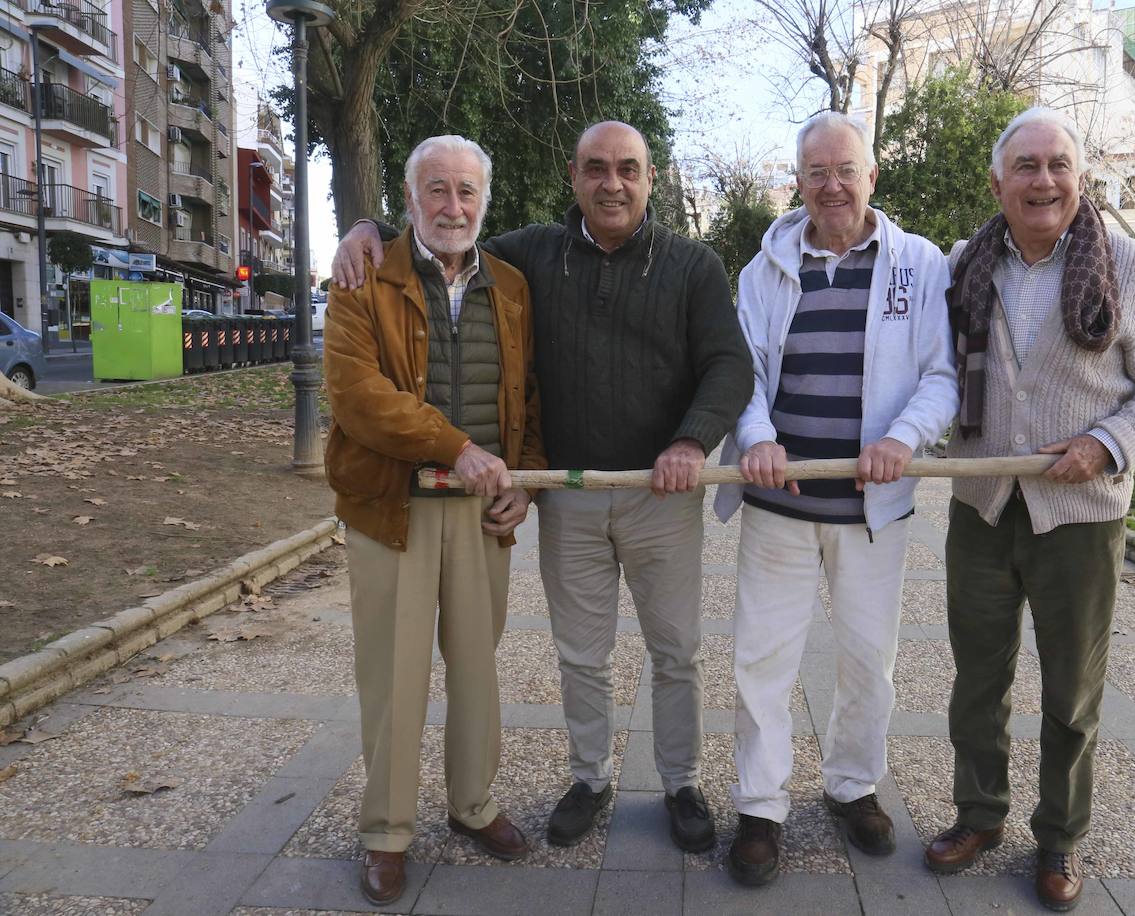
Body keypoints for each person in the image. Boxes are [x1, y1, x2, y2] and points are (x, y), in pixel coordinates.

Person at [331, 121, 753, 854]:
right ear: (574, 176)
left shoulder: (687, 266)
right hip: (517, 500)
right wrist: (362, 228)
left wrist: (691, 438)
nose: (612, 183)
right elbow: (416, 276)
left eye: (628, 169)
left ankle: (677, 782)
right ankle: (573, 783)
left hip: (653, 494)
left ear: (650, 178)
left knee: (673, 651)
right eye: (596, 168)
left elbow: (723, 364)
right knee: (572, 656)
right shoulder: (518, 259)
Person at [927, 107, 1135, 912]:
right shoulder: (964, 266)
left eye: (1058, 165)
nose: (1043, 181)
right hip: (982, 502)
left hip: (1079, 516)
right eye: (1026, 166)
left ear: (1080, 178)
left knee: (1071, 691)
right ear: (997, 183)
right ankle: (978, 815)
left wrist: (1109, 443)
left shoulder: (1131, 268)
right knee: (978, 678)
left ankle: (1058, 838)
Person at [713, 111, 960, 886]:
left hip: (871, 506)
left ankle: (853, 786)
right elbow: (743, 372)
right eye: (817, 172)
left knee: (868, 661)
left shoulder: (918, 266)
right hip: (779, 504)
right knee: (762, 657)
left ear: (872, 175)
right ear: (799, 180)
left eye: (846, 170)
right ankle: (760, 805)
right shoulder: (764, 271)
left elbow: (942, 375)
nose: (832, 186)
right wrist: (756, 436)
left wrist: (905, 439)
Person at [323, 135, 546, 906]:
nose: (454, 207)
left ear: (486, 198)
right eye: (437, 191)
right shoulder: (363, 275)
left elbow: (531, 395)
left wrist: (530, 484)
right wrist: (458, 445)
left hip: (482, 510)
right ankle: (386, 830)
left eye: (467, 192)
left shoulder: (512, 284)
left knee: (478, 670)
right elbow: (356, 396)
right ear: (410, 200)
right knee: (394, 676)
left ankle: (473, 805)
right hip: (396, 506)